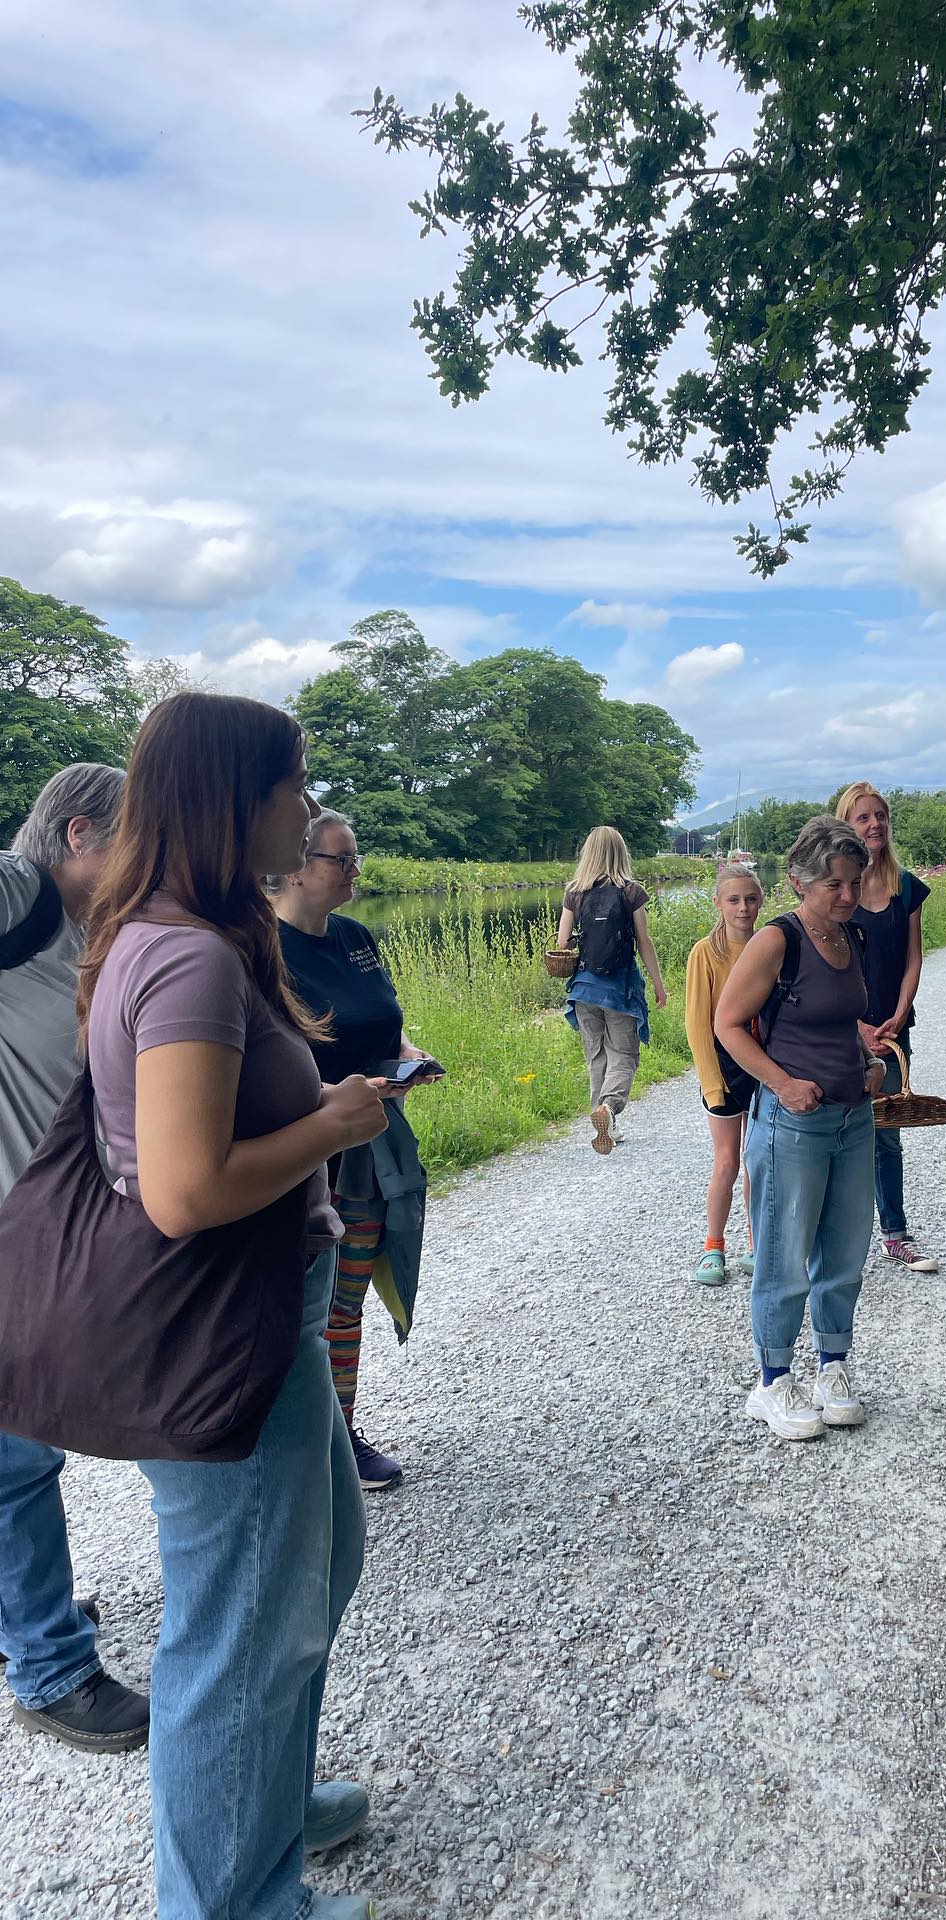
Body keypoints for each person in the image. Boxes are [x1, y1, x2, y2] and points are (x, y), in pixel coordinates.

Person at [79, 692, 388, 1920]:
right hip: (219, 1334)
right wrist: (333, 1122)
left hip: (266, 1315)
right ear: (234, 798)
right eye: (292, 785)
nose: (307, 810)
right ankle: (234, 1897)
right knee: (237, 1629)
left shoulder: (192, 935)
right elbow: (183, 1188)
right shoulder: (190, 955)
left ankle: (262, 1799)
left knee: (313, 1569)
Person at [0, 763, 150, 1754]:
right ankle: (49, 1664)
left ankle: (27, 1624)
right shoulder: (21, 894)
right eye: (134, 842)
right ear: (82, 837)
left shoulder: (81, 937)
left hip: (39, 1229)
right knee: (16, 1457)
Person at [273, 809, 436, 1492]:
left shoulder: (356, 937)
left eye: (356, 857)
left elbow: (383, 1020)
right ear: (296, 864)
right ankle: (297, 1449)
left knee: (348, 1296)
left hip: (372, 1142)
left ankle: (341, 1435)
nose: (355, 871)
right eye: (342, 859)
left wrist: (406, 1055)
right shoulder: (263, 949)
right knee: (300, 1302)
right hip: (306, 1150)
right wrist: (337, 1092)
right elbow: (264, 1060)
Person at [714, 816, 887, 1440]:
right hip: (793, 1123)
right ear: (798, 882)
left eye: (854, 881)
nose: (846, 895)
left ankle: (832, 1367)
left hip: (851, 1116)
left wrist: (868, 1061)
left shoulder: (852, 939)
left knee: (844, 1251)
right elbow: (727, 1025)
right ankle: (773, 1380)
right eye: (833, 884)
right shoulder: (776, 941)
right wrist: (783, 1084)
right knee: (785, 1254)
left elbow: (841, 1021)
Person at [834, 781, 938, 1272]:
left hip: (894, 1030)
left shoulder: (907, 886)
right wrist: (857, 1024)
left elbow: (914, 956)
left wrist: (899, 1012)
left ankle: (894, 1233)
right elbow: (826, 962)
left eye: (880, 815)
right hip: (840, 1029)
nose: (874, 824)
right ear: (846, 826)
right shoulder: (839, 890)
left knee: (887, 1131)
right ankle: (833, 1238)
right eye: (862, 817)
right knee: (835, 1129)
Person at [555, 826, 668, 1154]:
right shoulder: (631, 891)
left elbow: (562, 943)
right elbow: (643, 942)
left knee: (597, 1055)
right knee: (625, 1055)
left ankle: (605, 1121)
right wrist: (659, 985)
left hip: (583, 989)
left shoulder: (574, 892)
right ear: (621, 853)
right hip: (619, 989)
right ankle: (609, 1110)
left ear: (587, 853)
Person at [683, 861, 764, 1285]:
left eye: (751, 899)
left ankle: (757, 1244)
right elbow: (698, 1023)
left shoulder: (770, 945)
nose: (743, 908)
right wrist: (712, 1084)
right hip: (724, 1067)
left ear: (761, 900)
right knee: (727, 1161)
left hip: (764, 1066)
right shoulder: (706, 953)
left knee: (759, 1162)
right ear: (718, 903)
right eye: (734, 900)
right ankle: (713, 1248)